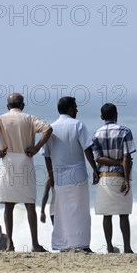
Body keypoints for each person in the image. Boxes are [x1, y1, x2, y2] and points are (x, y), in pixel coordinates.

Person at [0, 93, 52, 252]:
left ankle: (9, 244)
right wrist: (37, 147)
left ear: (8, 106)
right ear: (23, 105)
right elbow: (48, 129)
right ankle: (34, 244)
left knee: (9, 205)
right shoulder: (29, 118)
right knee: (30, 203)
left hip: (8, 161)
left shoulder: (1, 119)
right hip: (25, 159)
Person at [42, 96, 99, 252]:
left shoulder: (51, 128)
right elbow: (87, 149)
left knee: (63, 211)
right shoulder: (78, 125)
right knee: (81, 211)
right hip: (78, 174)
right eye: (75, 106)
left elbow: (46, 155)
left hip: (60, 176)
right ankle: (82, 245)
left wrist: (51, 175)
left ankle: (64, 245)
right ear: (69, 109)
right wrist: (95, 169)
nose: (77, 109)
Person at [92, 103, 136, 254]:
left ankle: (110, 248)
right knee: (123, 214)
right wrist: (126, 179)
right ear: (116, 115)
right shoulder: (125, 131)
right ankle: (127, 248)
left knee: (107, 214)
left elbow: (98, 159)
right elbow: (127, 156)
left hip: (105, 177)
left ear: (101, 117)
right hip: (120, 175)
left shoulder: (96, 134)